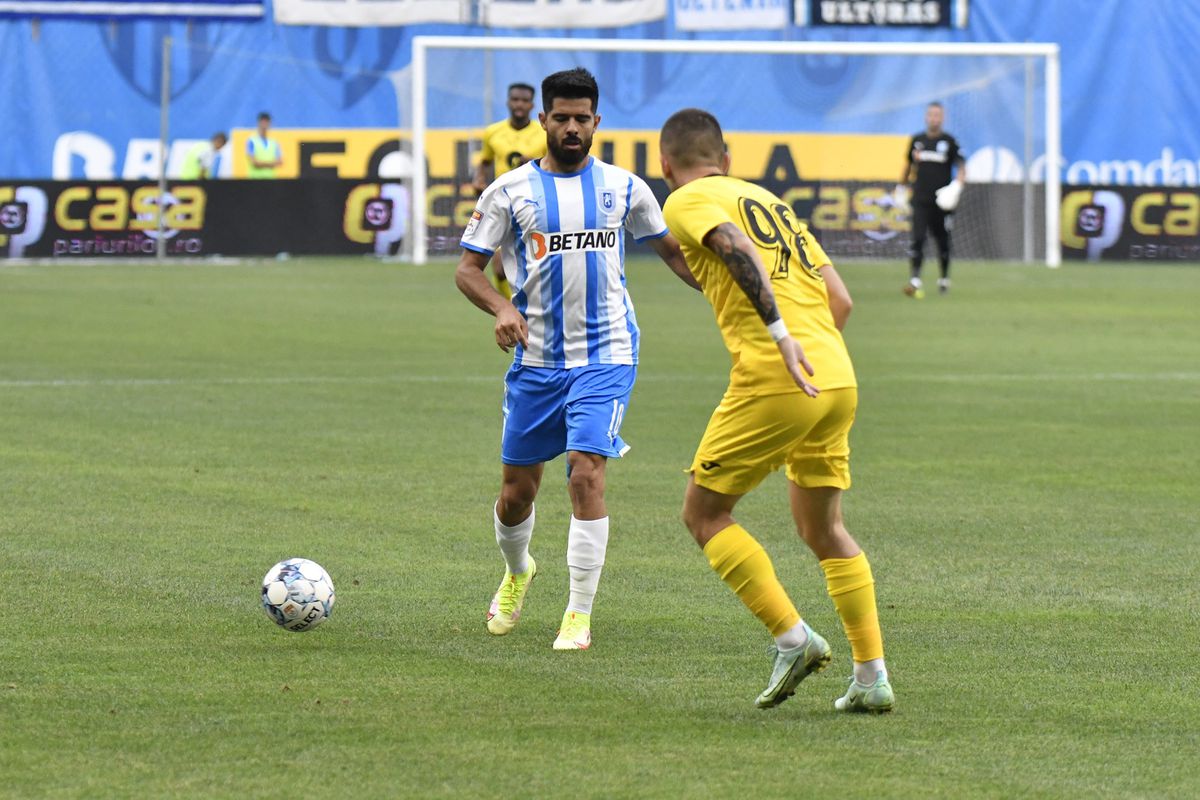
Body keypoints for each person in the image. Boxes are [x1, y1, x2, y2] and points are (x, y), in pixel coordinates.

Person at [455, 68, 699, 652]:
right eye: (559, 117)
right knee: (517, 493)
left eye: (581, 118)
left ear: (597, 122)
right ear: (541, 120)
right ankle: (518, 572)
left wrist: (732, 295)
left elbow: (674, 253)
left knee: (586, 473)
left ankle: (577, 613)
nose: (570, 127)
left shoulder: (625, 187)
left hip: (608, 354)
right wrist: (499, 308)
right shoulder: (509, 191)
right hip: (537, 361)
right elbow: (467, 270)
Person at [659, 108, 893, 713]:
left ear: (666, 166)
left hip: (779, 373)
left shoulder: (686, 200)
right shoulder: (770, 202)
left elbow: (732, 248)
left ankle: (793, 638)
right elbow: (840, 298)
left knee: (704, 514)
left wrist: (781, 338)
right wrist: (809, 349)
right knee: (823, 529)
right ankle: (871, 678)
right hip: (836, 377)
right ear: (728, 159)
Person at [472, 83, 547, 301]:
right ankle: (512, 308)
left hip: (534, 203)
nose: (519, 105)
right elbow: (485, 161)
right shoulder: (493, 132)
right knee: (498, 268)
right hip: (503, 204)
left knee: (535, 263)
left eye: (524, 100)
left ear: (532, 104)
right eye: (515, 99)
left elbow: (553, 165)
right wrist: (480, 179)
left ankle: (534, 304)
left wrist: (535, 163)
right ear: (508, 101)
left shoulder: (543, 134)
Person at [897, 101, 966, 297]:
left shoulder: (949, 141)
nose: (934, 118)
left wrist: (956, 186)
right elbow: (909, 166)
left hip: (942, 202)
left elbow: (961, 167)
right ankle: (915, 278)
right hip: (920, 199)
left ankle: (944, 278)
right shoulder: (917, 140)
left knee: (942, 241)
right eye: (931, 114)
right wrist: (901, 188)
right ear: (926, 117)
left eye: (937, 115)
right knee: (918, 239)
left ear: (942, 118)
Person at [247, 112, 282, 179]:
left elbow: (280, 161)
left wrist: (261, 163)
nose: (265, 124)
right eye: (263, 121)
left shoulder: (274, 143)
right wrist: (272, 164)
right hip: (255, 180)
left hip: (270, 180)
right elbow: (254, 163)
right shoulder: (252, 141)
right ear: (259, 122)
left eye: (267, 122)